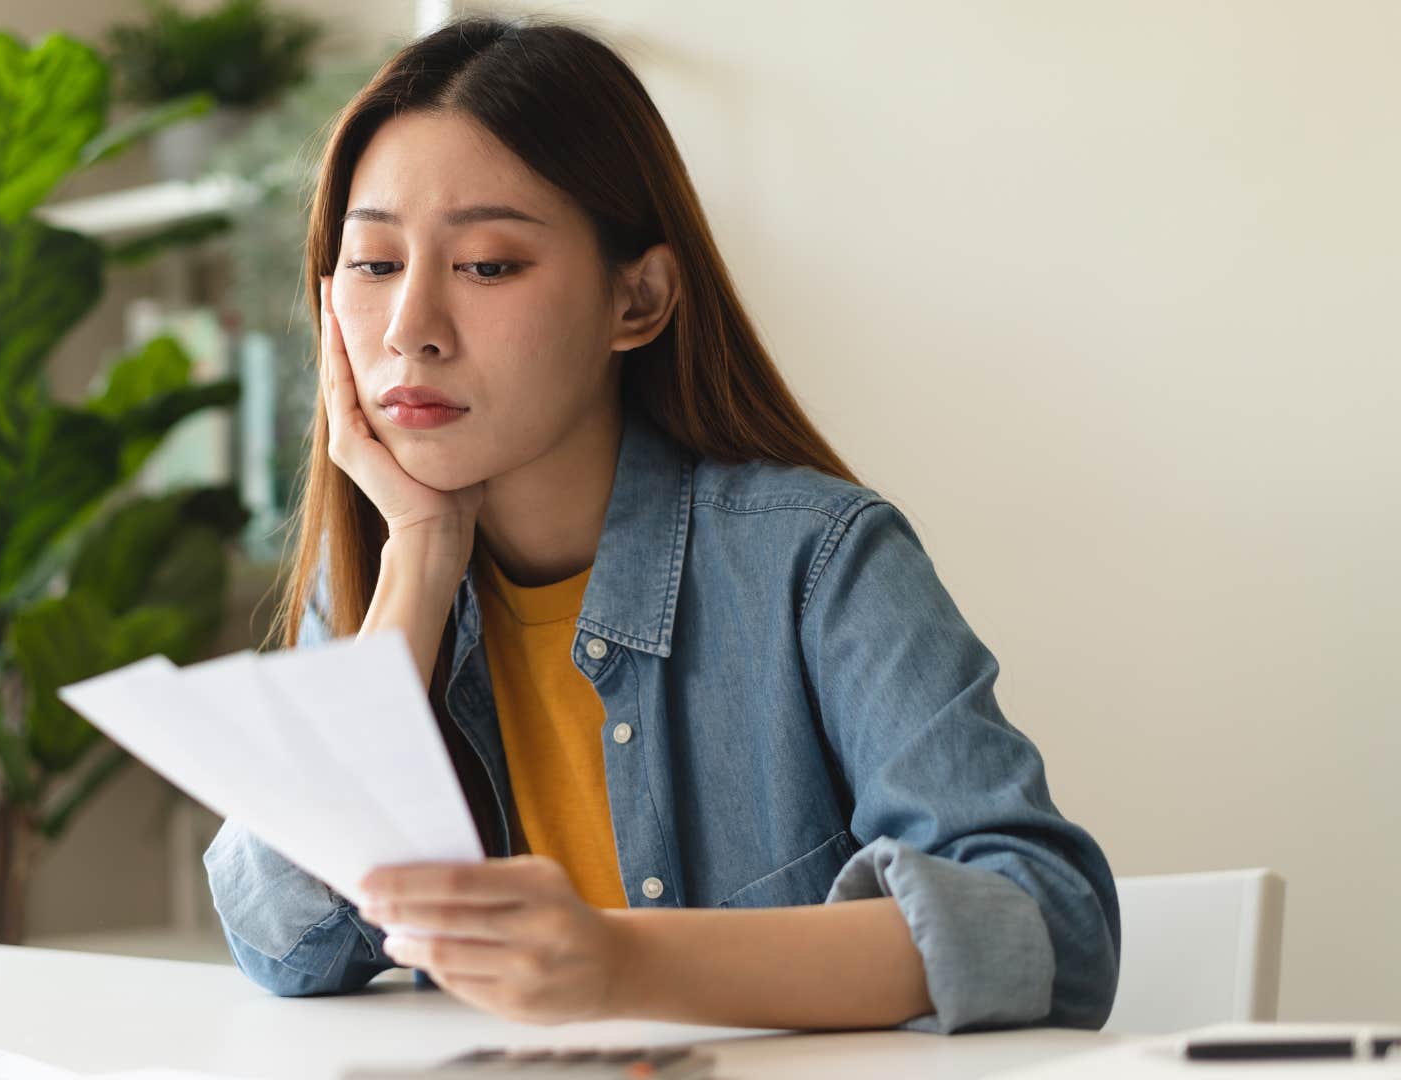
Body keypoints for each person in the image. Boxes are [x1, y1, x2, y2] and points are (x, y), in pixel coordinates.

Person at [203, 13, 1119, 1034]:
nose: (411, 326)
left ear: (637, 299)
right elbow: (280, 937)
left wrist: (619, 960)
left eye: (488, 265)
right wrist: (416, 564)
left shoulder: (816, 562)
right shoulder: (379, 576)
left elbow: (1046, 919)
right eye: (372, 266)